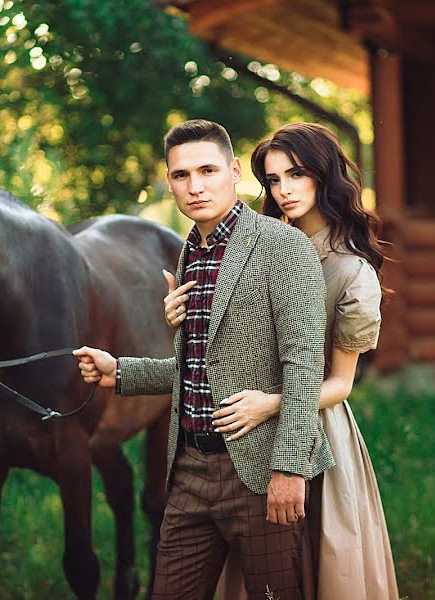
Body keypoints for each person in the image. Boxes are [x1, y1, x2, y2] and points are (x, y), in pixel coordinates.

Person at [73, 119, 333, 600]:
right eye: (180, 175)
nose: (195, 187)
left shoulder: (283, 246)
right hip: (189, 471)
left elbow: (303, 364)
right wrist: (120, 371)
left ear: (235, 172)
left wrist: (289, 469)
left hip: (258, 471)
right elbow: (199, 370)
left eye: (208, 170)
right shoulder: (188, 253)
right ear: (169, 181)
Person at [163, 122, 399, 599]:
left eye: (297, 175)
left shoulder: (350, 272)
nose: (284, 190)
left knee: (319, 568)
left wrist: (271, 405)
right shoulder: (257, 244)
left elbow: (340, 384)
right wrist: (183, 326)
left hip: (311, 426)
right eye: (273, 179)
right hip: (240, 435)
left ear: (324, 177)